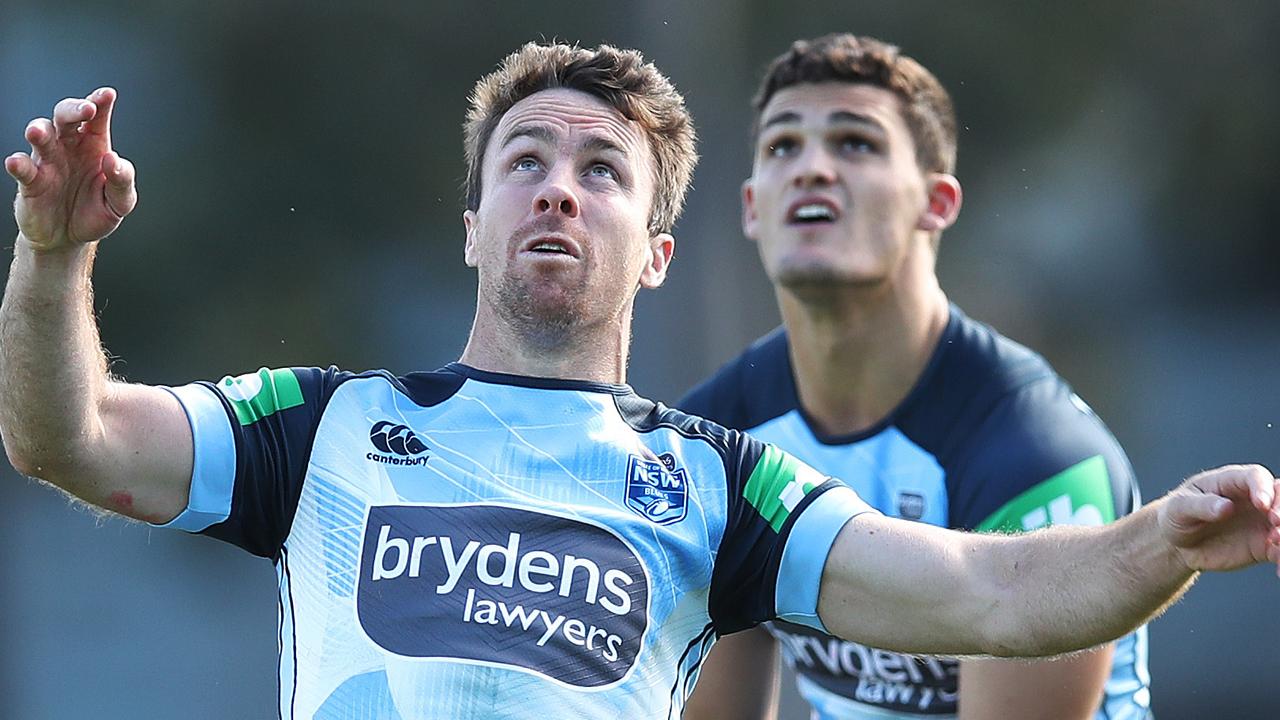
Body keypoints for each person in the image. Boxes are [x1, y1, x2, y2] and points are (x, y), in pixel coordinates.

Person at [2, 42, 1278, 720]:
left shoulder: (718, 487)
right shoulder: (325, 425)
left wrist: (1158, 537)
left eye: (602, 169)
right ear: (471, 224)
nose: (558, 184)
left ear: (658, 254)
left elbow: (991, 592)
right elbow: (73, 440)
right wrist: (54, 260)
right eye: (525, 160)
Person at [676, 33, 1158, 720]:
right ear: (752, 207)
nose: (812, 167)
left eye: (855, 143)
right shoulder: (714, 445)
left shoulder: (1038, 457)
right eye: (784, 145)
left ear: (937, 203)